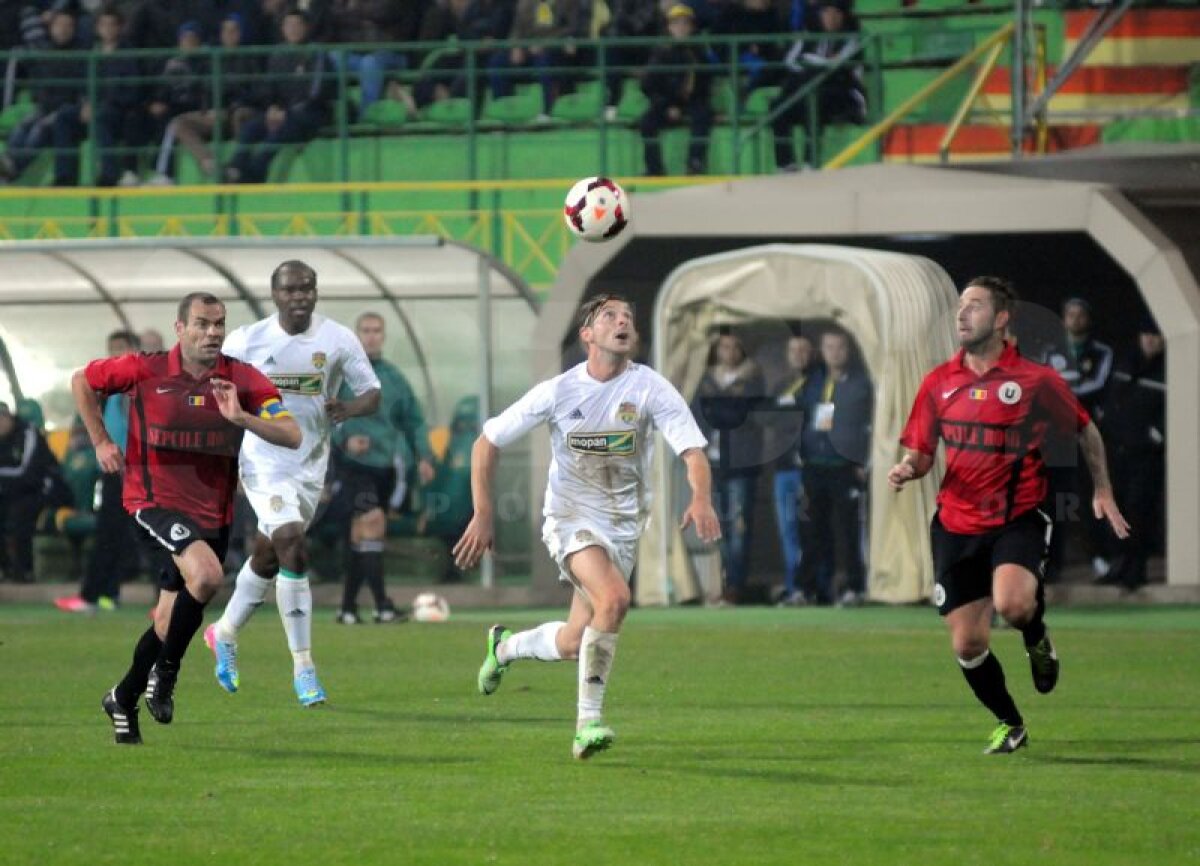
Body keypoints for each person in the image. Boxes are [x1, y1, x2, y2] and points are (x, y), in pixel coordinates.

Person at [454, 293, 721, 760]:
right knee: (616, 599)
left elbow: (693, 452)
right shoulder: (558, 391)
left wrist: (700, 497)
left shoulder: (650, 388)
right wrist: (483, 512)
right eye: (609, 316)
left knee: (576, 642)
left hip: (622, 526)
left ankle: (505, 647)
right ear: (588, 335)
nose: (622, 322)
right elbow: (486, 442)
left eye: (627, 316)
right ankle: (587, 724)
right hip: (570, 519)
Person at [887, 276, 1129, 755]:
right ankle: (1009, 723)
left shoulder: (1035, 380)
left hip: (1017, 515)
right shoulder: (939, 382)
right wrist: (906, 468)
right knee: (967, 646)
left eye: (974, 306)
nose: (961, 314)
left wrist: (1103, 489)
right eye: (960, 306)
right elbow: (921, 452)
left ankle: (1036, 637)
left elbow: (1086, 430)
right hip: (956, 525)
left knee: (1015, 605)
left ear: (1001, 319)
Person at [75, 291, 300, 744]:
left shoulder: (242, 379)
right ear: (181, 329)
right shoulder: (146, 368)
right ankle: (168, 674)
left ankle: (123, 695)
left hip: (211, 513)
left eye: (218, 323)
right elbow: (83, 380)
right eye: (202, 323)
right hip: (151, 500)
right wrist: (100, 440)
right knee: (208, 574)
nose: (212, 332)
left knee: (166, 621)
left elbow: (292, 433)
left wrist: (242, 417)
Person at [205, 260, 381, 706]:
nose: (300, 296)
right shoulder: (247, 340)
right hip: (264, 462)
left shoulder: (337, 339)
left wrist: (349, 408)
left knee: (268, 557)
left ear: (316, 292)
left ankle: (223, 632)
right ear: (275, 294)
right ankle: (304, 667)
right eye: (291, 290)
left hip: (310, 464)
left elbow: (372, 392)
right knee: (292, 542)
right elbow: (216, 393)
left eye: (308, 288)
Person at [333, 311, 434, 625]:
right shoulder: (341, 375)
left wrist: (424, 456)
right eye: (366, 330)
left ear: (384, 335)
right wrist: (346, 439)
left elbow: (413, 420)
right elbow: (322, 415)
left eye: (377, 330)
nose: (372, 336)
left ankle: (348, 608)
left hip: (385, 466)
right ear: (356, 334)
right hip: (352, 466)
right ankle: (382, 605)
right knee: (373, 522)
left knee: (362, 535)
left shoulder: (392, 377)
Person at [56, 330, 144, 613]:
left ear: (135, 350)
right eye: (112, 348)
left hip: (143, 470)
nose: (115, 354)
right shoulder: (105, 390)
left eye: (121, 348)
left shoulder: (145, 386)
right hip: (112, 471)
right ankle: (101, 594)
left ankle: (167, 598)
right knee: (110, 532)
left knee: (151, 536)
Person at [798, 327, 872, 606]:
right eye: (829, 347)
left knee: (850, 530)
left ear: (848, 350)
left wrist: (863, 461)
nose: (834, 353)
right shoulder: (813, 383)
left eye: (839, 347)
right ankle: (810, 590)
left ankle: (855, 587)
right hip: (814, 467)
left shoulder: (862, 384)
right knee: (813, 531)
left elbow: (872, 426)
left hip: (846, 468)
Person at [1042, 297, 1115, 580]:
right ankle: (1053, 562)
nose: (1075, 320)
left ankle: (1100, 557)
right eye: (1070, 314)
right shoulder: (1052, 352)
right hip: (1057, 439)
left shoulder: (1100, 353)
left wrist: (1064, 397)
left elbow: (1097, 385)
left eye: (1080, 315)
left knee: (1092, 494)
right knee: (1056, 500)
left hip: (1087, 436)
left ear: (1088, 318)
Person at [691, 332, 765, 605]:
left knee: (739, 527)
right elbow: (697, 415)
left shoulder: (753, 380)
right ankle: (719, 584)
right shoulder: (705, 379)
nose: (729, 351)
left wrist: (721, 411)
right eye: (724, 346)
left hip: (742, 464)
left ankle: (734, 586)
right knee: (716, 527)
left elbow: (744, 416)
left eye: (735, 347)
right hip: (712, 464)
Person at [1099, 316, 1164, 591]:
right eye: (1146, 334)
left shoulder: (1167, 370)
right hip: (1118, 450)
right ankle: (1119, 563)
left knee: (1140, 510)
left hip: (1146, 455)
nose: (1150, 340)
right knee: (1117, 508)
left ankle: (1136, 569)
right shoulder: (1124, 364)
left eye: (1155, 335)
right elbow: (1110, 401)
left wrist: (1156, 434)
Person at [770, 0, 865, 172]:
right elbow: (791, 61)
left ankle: (809, 162)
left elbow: (837, 65)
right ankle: (785, 164)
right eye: (826, 13)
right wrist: (814, 63)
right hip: (809, 88)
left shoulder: (850, 38)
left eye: (835, 14)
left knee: (814, 99)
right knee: (778, 105)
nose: (830, 18)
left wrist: (812, 62)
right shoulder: (810, 36)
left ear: (843, 16)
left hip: (843, 93)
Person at [639, 4, 714, 177]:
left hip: (692, 102)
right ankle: (654, 169)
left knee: (703, 115)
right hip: (666, 102)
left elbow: (704, 84)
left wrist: (688, 101)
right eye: (677, 23)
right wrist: (666, 105)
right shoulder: (660, 53)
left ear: (691, 27)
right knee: (646, 122)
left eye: (685, 23)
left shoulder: (699, 53)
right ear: (669, 27)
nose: (681, 27)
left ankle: (695, 163)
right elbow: (648, 85)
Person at [768, 335, 815, 605]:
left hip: (811, 469)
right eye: (793, 350)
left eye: (803, 349)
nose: (798, 355)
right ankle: (793, 584)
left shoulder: (819, 383)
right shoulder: (780, 386)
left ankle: (810, 586)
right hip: (783, 468)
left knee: (809, 528)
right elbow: (769, 419)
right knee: (788, 530)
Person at [0, 400, 59, 583]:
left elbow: (27, 472)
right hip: (11, 492)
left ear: (10, 418)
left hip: (41, 489)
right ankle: (6, 567)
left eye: (2, 418)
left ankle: (24, 570)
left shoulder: (28, 433)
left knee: (21, 513)